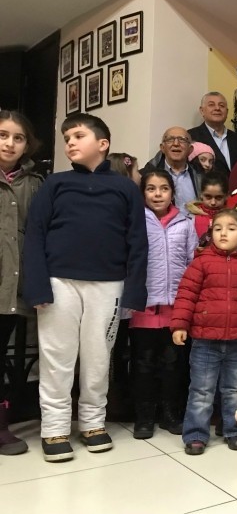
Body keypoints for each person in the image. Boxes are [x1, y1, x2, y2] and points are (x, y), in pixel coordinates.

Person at [23, 113, 148, 462]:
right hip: (58, 282)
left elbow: (138, 242)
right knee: (57, 357)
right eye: (67, 138)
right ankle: (55, 428)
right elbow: (35, 235)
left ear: (103, 144)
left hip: (109, 285)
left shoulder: (125, 188)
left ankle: (93, 422)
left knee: (97, 357)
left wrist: (134, 290)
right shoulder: (55, 183)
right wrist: (37, 286)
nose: (70, 143)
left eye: (78, 136)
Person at [171, 209, 237, 455]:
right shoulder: (201, 262)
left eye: (231, 228)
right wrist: (180, 325)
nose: (223, 233)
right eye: (217, 229)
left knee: (234, 389)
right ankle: (196, 434)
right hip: (205, 340)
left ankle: (234, 431)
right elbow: (186, 295)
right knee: (201, 390)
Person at [130, 170, 197, 439]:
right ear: (143, 193)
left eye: (164, 189)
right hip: (143, 307)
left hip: (175, 309)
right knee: (143, 365)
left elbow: (192, 263)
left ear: (172, 193)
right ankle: (144, 417)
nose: (157, 194)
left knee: (173, 365)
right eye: (151, 189)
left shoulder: (186, 224)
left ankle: (170, 413)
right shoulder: (136, 221)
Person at [0, 111, 43, 456]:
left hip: (12, 285)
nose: (9, 143)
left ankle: (1, 426)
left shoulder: (35, 184)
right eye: (3, 135)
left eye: (18, 138)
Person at [188, 92, 237, 177]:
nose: (217, 108)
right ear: (202, 111)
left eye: (221, 105)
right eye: (211, 105)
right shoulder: (191, 136)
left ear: (227, 112)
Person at [143, 127, 202, 213]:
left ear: (190, 150)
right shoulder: (147, 175)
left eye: (182, 140)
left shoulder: (201, 175)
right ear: (162, 148)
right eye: (170, 139)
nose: (176, 144)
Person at [186, 172, 229, 244]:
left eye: (218, 197)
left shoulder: (233, 218)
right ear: (201, 194)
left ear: (226, 196)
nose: (213, 202)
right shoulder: (191, 219)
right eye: (208, 197)